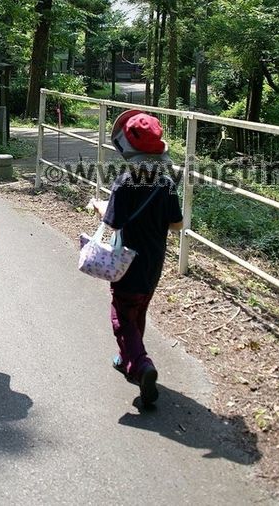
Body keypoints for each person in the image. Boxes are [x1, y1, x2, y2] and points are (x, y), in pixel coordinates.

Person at [93, 109, 183, 407]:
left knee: (121, 316)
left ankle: (141, 364)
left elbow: (110, 228)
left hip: (126, 262)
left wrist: (100, 215)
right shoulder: (167, 183)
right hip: (153, 263)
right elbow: (177, 225)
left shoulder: (125, 181)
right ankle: (126, 356)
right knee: (139, 310)